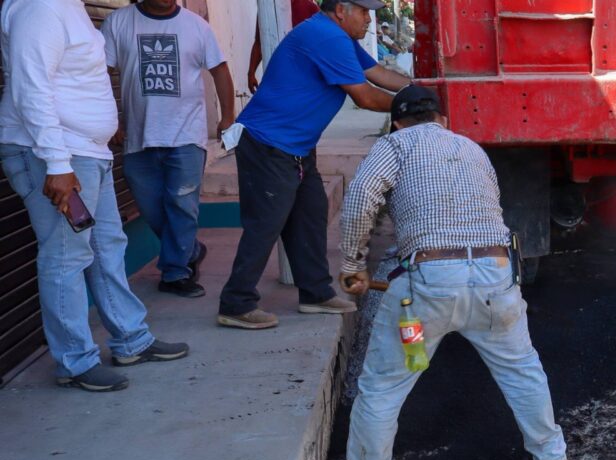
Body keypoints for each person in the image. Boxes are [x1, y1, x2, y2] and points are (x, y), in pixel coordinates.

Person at [330, 86, 569, 460]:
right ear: (441, 118)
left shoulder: (395, 145)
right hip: (497, 278)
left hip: (428, 284)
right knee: (522, 370)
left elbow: (361, 199)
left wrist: (352, 264)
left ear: (397, 121)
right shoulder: (471, 148)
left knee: (382, 389)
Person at [0, 0, 188, 392]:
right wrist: (57, 163)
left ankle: (131, 340)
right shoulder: (40, 8)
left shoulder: (67, 7)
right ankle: (75, 361)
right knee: (67, 254)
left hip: (85, 152)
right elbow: (29, 85)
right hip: (56, 155)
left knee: (106, 246)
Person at [218, 0, 411, 330]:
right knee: (265, 225)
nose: (368, 19)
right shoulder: (326, 37)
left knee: (310, 214)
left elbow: (378, 74)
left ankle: (316, 295)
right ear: (341, 10)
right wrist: (413, 105)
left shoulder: (340, 39)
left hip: (296, 147)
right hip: (268, 145)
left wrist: (420, 90)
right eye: (364, 11)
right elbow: (364, 96)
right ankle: (236, 303)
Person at [103, 0, 236, 298]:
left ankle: (176, 273)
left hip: (186, 136)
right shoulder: (118, 23)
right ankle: (190, 249)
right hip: (138, 137)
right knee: (151, 208)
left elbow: (220, 70)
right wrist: (109, 120)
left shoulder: (196, 26)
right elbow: (97, 75)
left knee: (182, 206)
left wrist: (228, 116)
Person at [247, 0, 321, 94]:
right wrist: (251, 73)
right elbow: (259, 42)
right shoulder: (268, 7)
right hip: (276, 78)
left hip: (303, 80)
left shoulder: (310, 7)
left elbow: (321, 44)